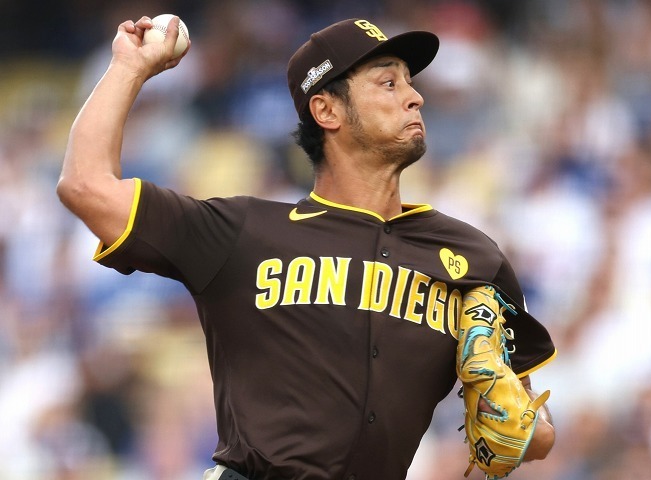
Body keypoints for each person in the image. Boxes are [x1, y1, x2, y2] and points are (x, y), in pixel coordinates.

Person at [57, 15, 556, 480]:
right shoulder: (243, 232)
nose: (414, 97)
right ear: (327, 109)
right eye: (389, 82)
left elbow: (533, 431)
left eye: (411, 81)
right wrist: (129, 66)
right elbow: (85, 185)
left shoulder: (471, 257)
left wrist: (516, 421)